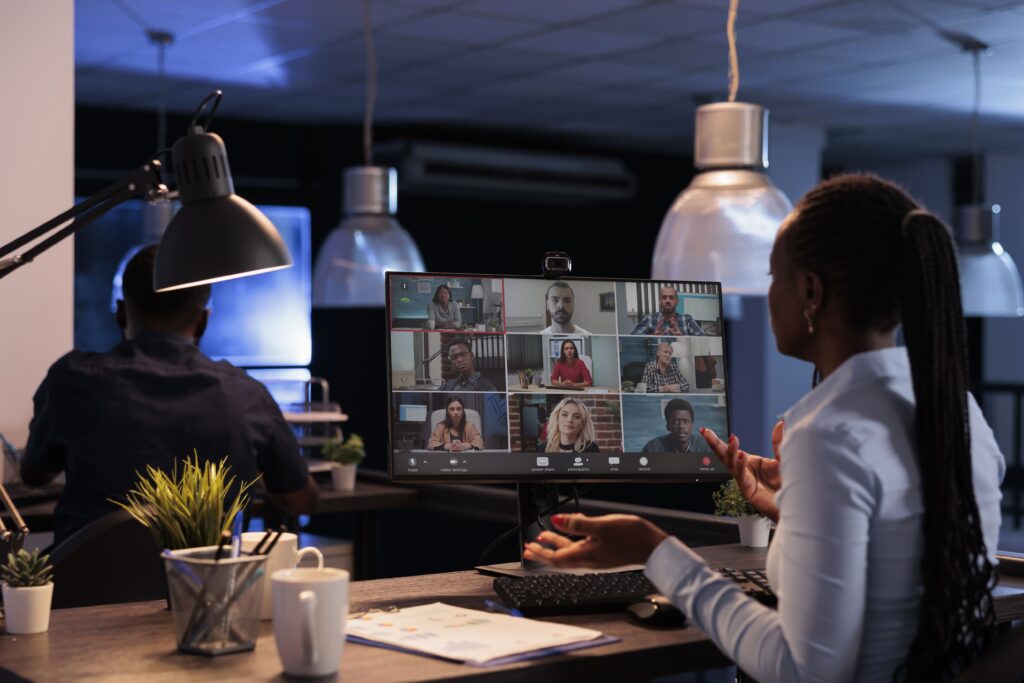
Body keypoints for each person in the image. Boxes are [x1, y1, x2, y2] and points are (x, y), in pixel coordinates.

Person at [524, 174, 1005, 682]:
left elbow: (800, 671)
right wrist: (798, 507)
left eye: (774, 276)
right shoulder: (958, 412)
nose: (767, 294)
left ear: (811, 292)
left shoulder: (830, 435)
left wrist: (654, 550)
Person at [21, 245, 319, 545]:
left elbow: (33, 474)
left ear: (121, 312)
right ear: (204, 320)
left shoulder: (71, 380)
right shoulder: (247, 396)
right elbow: (303, 501)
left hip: (88, 587)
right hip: (205, 587)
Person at [641, 398, 709, 454]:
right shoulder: (653, 448)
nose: (681, 426)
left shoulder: (703, 447)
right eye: (675, 422)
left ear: (692, 425)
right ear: (667, 426)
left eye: (686, 421)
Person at [631, 286, 704, 336]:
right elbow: (632, 339)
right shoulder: (649, 318)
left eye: (671, 298)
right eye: (664, 297)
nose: (668, 301)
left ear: (677, 301)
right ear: (660, 301)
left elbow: (702, 338)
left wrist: (683, 338)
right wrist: (652, 337)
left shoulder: (687, 319)